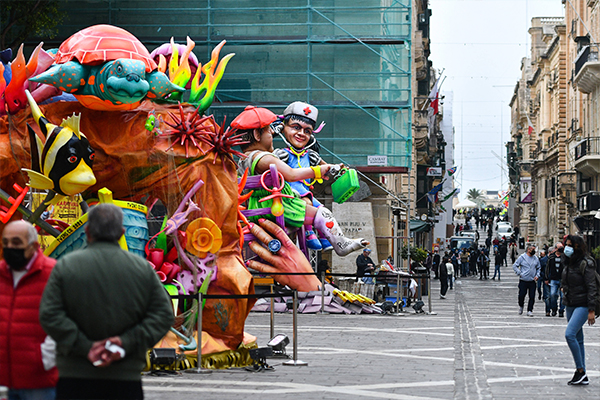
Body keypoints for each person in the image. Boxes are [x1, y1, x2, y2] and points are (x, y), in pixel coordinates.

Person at [39, 204, 174, 399]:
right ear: (121, 232)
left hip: (75, 374)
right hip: (124, 375)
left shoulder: (66, 266)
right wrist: (126, 342)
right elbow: (164, 315)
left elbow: (49, 314)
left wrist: (84, 346)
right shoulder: (141, 269)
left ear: (87, 231)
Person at [234, 106, 368, 256]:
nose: (272, 133)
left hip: (259, 208)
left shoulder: (244, 160)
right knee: (323, 213)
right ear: (257, 135)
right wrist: (318, 170)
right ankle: (341, 244)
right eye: (268, 131)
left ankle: (317, 238)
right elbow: (291, 175)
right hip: (278, 208)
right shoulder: (264, 158)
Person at [0, 220, 58, 400]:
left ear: (33, 246)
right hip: (4, 377)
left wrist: (45, 358)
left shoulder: (53, 273)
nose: (10, 248)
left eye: (16, 243)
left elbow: (66, 319)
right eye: (6, 242)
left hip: (39, 380)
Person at [272, 101, 331, 251]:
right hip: (290, 194)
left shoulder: (310, 155)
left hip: (306, 192)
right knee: (307, 203)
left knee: (323, 210)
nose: (301, 134)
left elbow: (327, 168)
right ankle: (309, 233)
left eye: (307, 131)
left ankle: (325, 236)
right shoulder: (282, 154)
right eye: (296, 127)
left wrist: (337, 170)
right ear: (283, 127)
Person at [561, 235, 597, 386]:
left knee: (569, 334)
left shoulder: (586, 263)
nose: (567, 248)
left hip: (582, 304)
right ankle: (583, 375)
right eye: (566, 244)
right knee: (578, 338)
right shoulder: (568, 262)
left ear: (577, 246)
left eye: (570, 245)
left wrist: (591, 310)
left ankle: (580, 370)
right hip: (570, 302)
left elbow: (592, 287)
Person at [512, 244, 541, 317]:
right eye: (533, 249)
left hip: (532, 280)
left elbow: (538, 268)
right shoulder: (522, 257)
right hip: (523, 280)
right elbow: (515, 265)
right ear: (528, 249)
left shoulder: (536, 258)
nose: (534, 251)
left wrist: (537, 275)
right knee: (521, 295)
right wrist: (519, 273)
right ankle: (521, 305)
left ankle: (530, 310)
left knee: (532, 296)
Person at [546, 243, 565, 317]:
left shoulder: (564, 257)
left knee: (563, 296)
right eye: (559, 247)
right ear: (556, 248)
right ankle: (554, 308)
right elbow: (548, 268)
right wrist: (547, 278)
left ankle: (561, 310)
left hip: (562, 280)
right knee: (553, 294)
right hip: (553, 279)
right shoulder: (551, 257)